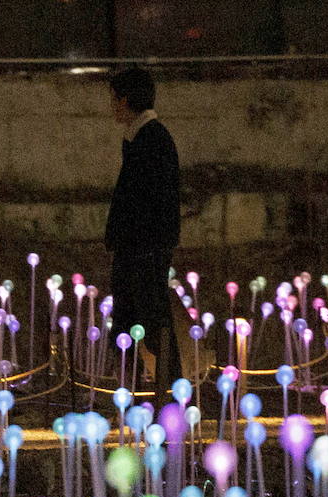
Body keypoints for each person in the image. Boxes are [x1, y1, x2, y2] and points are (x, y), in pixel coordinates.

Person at [105, 66, 181, 408]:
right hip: (135, 249)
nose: (111, 106)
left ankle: (170, 396)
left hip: (144, 252)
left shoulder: (152, 139)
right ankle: (135, 396)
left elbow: (154, 202)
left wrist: (149, 247)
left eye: (113, 99)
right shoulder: (140, 137)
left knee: (152, 322)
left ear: (124, 99)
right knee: (130, 320)